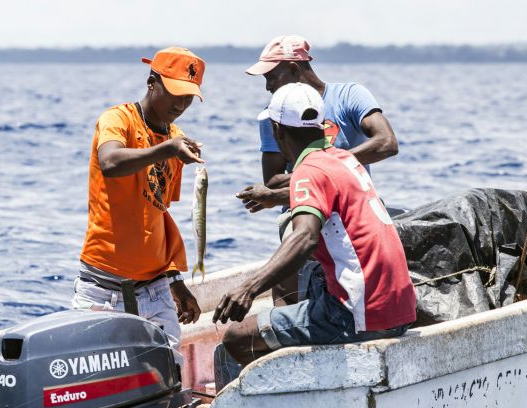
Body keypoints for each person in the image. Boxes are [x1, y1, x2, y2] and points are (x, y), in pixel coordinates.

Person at [212, 83, 415, 385]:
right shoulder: (344, 160)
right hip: (400, 309)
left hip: (358, 314)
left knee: (235, 340)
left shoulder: (308, 171)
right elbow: (326, 193)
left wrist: (248, 288)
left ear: (278, 131)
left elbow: (304, 238)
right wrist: (274, 197)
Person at [237, 35, 400, 306]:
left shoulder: (349, 95)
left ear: (293, 69)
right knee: (285, 275)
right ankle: (287, 332)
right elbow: (274, 181)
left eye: (272, 77)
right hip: (300, 207)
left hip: (354, 204)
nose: (267, 87)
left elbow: (387, 143)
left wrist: (328, 168)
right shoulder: (274, 114)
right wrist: (317, 179)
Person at [73, 47, 205, 362]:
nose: (181, 104)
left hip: (156, 288)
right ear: (151, 83)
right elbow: (110, 162)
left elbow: (158, 215)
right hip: (103, 288)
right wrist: (167, 150)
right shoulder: (118, 119)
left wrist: (176, 281)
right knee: (102, 386)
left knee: (165, 382)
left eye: (189, 96)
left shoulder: (177, 138)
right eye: (175, 93)